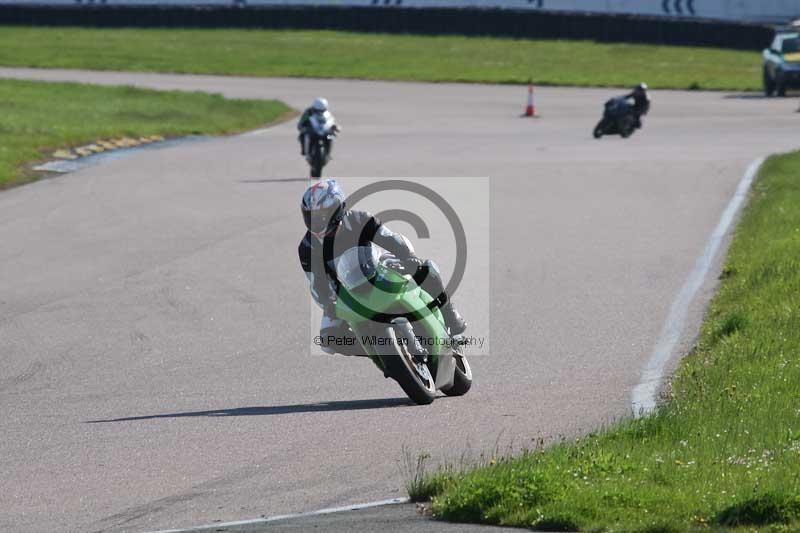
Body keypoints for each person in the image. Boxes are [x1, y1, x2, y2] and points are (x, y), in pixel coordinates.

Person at [298, 179, 467, 356]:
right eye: (312, 216)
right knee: (328, 340)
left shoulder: (359, 219)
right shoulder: (307, 247)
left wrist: (408, 258)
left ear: (338, 209)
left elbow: (390, 238)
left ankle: (449, 313)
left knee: (426, 269)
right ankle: (377, 351)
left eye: (323, 214)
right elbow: (316, 283)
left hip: (378, 266)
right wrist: (329, 303)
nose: (318, 221)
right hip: (345, 292)